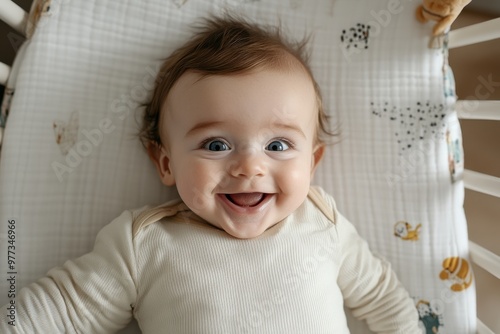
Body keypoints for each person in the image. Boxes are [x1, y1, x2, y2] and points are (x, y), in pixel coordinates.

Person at [1, 16, 420, 333]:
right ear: (165, 163)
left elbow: (381, 294)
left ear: (311, 163)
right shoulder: (145, 242)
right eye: (216, 145)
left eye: (277, 146)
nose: (250, 167)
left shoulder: (321, 221)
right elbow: (60, 310)